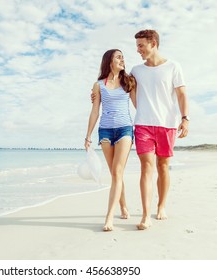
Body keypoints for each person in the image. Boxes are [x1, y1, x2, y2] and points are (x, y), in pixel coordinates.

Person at [130, 29, 189, 230]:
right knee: (146, 166)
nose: (138, 50)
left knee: (163, 166)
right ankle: (146, 215)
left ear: (153, 43)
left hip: (167, 124)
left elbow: (181, 94)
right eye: (137, 46)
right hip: (143, 124)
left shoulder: (173, 66)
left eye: (141, 45)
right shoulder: (136, 71)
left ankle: (161, 206)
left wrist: (185, 118)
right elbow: (125, 90)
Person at [85, 49, 136, 231]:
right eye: (118, 57)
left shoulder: (129, 81)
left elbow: (138, 105)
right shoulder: (99, 85)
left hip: (125, 129)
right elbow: (95, 110)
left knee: (117, 171)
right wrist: (88, 135)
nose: (123, 59)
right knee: (116, 174)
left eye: (123, 56)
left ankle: (109, 218)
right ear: (109, 62)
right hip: (105, 131)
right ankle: (123, 205)